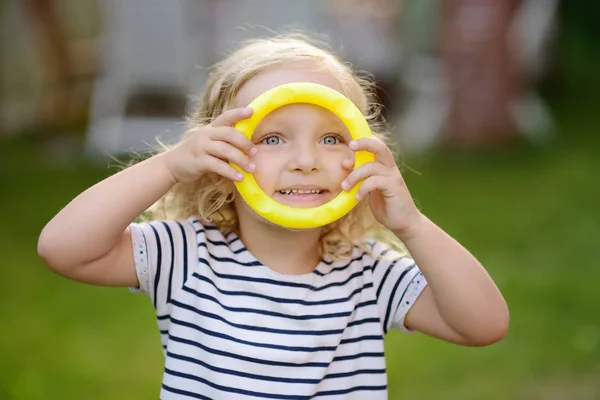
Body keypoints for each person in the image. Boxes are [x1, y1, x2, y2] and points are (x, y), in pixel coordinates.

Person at [37, 34, 509, 399]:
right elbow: (63, 248)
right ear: (219, 157)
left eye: (331, 139)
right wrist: (167, 166)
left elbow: (484, 324)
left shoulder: (369, 272)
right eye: (272, 138)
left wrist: (412, 227)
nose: (306, 160)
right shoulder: (186, 255)